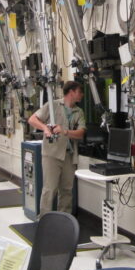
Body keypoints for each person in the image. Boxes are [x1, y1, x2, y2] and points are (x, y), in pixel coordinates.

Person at [28, 81, 86, 216]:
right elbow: (32, 119)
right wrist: (45, 128)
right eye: (79, 92)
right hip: (52, 154)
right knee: (50, 189)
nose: (82, 95)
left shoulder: (79, 112)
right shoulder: (53, 105)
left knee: (67, 190)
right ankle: (44, 219)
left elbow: (81, 133)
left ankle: (64, 219)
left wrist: (65, 131)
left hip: (69, 156)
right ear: (71, 92)